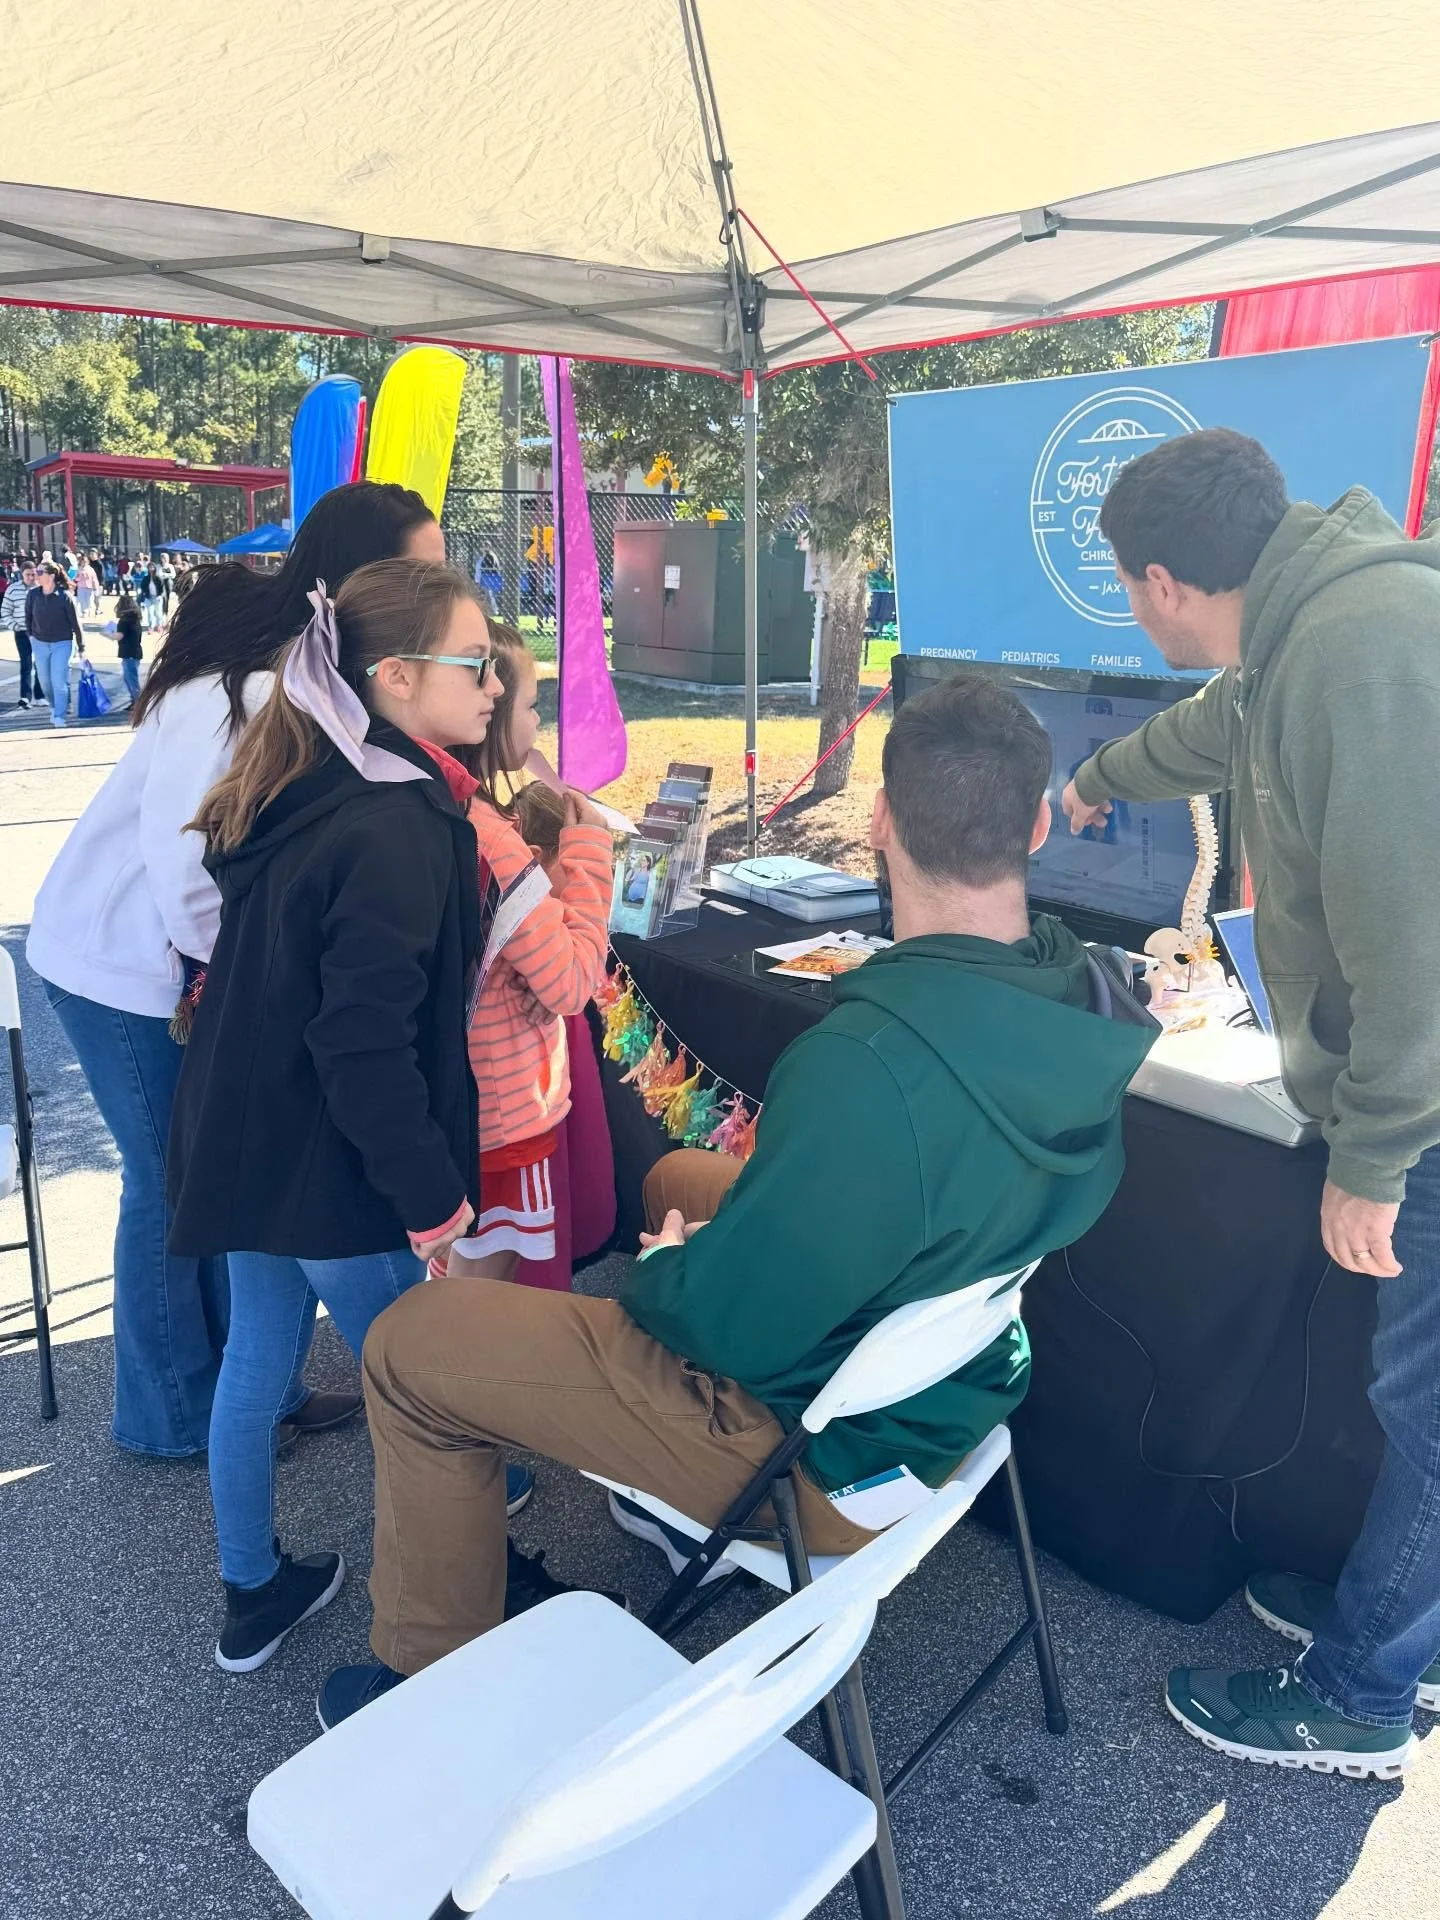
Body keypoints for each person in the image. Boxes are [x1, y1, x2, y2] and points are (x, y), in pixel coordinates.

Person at [316, 671, 1156, 1726]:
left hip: (816, 1448)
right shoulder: (1080, 994)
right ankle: (663, 1516)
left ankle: (422, 1686)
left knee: (414, 1342)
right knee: (673, 1178)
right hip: (953, 1359)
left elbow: (722, 1325)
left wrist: (673, 1269)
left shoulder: (869, 1060)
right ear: (1036, 825)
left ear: (884, 821)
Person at [1059, 428, 1440, 1779]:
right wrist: (1095, 781)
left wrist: (1378, 1156)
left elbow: (1416, 942)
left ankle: (1360, 1697)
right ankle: (1402, 1615)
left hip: (1429, 1099)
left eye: (1122, 586)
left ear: (1162, 580)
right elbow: (1219, 725)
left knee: (1429, 1401)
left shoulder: (1362, 645)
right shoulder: (1300, 626)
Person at [26, 481, 448, 1460]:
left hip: (198, 968)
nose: (433, 587)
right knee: (173, 1188)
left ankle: (249, 1394)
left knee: (230, 1180)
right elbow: (188, 879)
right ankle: (171, 1417)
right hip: (121, 965)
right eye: (415, 570)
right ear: (347, 583)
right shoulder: (250, 686)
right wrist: (289, 985)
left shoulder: (317, 677)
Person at [166, 558, 520, 1675]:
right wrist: (433, 1197)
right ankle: (473, 1592)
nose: (499, 684)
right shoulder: (395, 824)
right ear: (399, 676)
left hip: (250, 1139)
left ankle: (251, 1587)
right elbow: (361, 1044)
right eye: (479, 664)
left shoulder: (307, 782)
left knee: (262, 1353)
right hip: (330, 1165)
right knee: (419, 1383)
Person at [445, 626, 613, 1284]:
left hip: (469, 1113)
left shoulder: (459, 816)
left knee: (463, 1292)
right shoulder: (494, 840)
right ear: (486, 712)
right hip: (510, 1123)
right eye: (531, 705)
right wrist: (589, 852)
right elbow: (570, 984)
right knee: (509, 1304)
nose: (538, 721)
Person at [26, 561, 84, 727]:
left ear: (51, 576)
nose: (37, 574)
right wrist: (30, 636)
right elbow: (28, 617)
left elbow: (76, 624)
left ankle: (59, 715)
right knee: (45, 681)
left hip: (62, 643)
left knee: (58, 681)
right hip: (39, 643)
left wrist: (82, 647)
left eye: (40, 572)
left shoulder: (65, 596)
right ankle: (54, 707)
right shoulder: (33, 594)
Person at [2, 558, 36, 708]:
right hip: (21, 631)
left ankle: (40, 695)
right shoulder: (13, 589)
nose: (31, 577)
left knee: (41, 664)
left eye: (33, 574)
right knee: (26, 663)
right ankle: (26, 696)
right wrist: (13, 625)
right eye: (28, 574)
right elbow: (5, 610)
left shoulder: (40, 588)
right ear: (22, 574)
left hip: (39, 632)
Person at [114, 590, 143, 707]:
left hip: (128, 652)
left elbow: (119, 636)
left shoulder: (124, 621)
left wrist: (107, 634)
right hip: (136, 651)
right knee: (131, 678)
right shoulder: (135, 619)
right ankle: (135, 701)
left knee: (130, 679)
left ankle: (137, 702)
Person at [74, 553, 99, 620]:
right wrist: (79, 577)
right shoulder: (79, 569)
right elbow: (76, 578)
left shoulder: (91, 569)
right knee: (82, 601)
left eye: (85, 562)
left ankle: (90, 612)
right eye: (82, 562)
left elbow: (94, 579)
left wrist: (96, 588)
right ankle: (84, 612)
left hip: (89, 587)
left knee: (89, 601)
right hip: (81, 587)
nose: (84, 563)